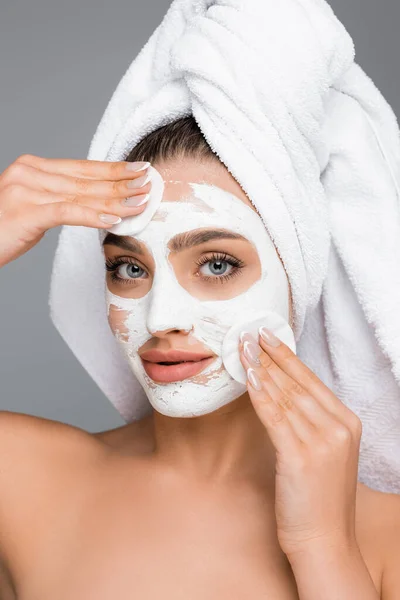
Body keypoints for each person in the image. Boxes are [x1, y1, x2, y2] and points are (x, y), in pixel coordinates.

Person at [0, 115, 398, 599]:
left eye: (216, 264)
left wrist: (322, 547)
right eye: (129, 268)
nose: (159, 318)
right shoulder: (23, 479)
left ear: (299, 278)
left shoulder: (386, 541)